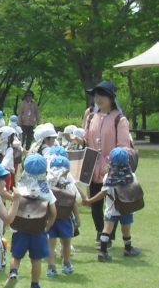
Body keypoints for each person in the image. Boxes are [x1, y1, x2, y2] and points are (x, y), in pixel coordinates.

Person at [82, 80, 134, 244]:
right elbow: (86, 138)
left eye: (102, 95)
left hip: (112, 169)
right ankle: (101, 233)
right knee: (95, 203)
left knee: (113, 203)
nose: (99, 99)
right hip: (92, 166)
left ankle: (108, 234)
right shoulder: (91, 117)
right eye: (96, 95)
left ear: (111, 98)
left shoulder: (120, 119)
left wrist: (111, 162)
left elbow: (124, 146)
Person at [1, 154, 56, 288]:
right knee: (36, 259)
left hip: (20, 229)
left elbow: (14, 206)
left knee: (16, 256)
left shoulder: (19, 188)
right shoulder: (46, 190)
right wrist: (48, 226)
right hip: (38, 230)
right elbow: (53, 212)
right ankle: (35, 287)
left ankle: (13, 272)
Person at [79, 147, 142, 261]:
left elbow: (104, 192)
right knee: (126, 228)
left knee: (107, 228)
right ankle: (128, 248)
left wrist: (89, 201)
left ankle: (103, 252)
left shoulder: (108, 177)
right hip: (127, 207)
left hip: (112, 208)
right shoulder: (132, 175)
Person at [46, 153, 79, 277]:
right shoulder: (68, 184)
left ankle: (51, 266)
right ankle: (66, 263)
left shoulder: (48, 183)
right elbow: (75, 201)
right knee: (66, 242)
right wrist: (78, 218)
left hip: (50, 218)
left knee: (51, 242)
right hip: (66, 218)